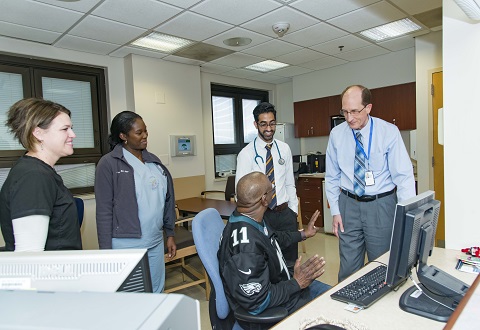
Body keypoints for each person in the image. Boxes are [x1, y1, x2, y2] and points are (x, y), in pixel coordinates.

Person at [325, 85, 415, 282]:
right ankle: (347, 307)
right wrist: (335, 211)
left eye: (355, 111)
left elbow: (404, 177)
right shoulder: (337, 135)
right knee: (348, 267)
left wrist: (404, 215)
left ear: (368, 108)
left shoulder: (388, 132)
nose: (349, 118)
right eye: (345, 112)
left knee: (381, 264)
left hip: (381, 205)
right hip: (348, 204)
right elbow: (331, 176)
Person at [219, 172, 330, 329]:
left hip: (280, 284)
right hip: (273, 309)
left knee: (336, 295)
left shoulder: (248, 217)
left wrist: (304, 234)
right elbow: (258, 302)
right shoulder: (246, 250)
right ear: (264, 199)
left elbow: (273, 238)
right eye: (272, 190)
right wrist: (297, 283)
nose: (274, 193)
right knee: (335, 312)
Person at [95, 111, 176, 293]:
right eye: (139, 133)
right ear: (123, 136)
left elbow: (167, 200)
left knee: (157, 290)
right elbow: (104, 211)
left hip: (155, 239)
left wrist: (170, 233)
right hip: (126, 243)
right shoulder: (109, 164)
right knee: (132, 295)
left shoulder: (154, 162)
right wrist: (105, 251)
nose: (145, 136)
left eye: (146, 131)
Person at [0, 98, 82, 251]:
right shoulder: (33, 177)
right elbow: (29, 253)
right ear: (38, 133)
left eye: (71, 128)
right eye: (65, 129)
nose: (73, 134)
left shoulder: (41, 171)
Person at [235, 102, 299, 272]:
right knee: (269, 264)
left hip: (285, 214)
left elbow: (289, 183)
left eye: (272, 123)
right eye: (263, 124)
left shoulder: (284, 149)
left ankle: (293, 295)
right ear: (256, 124)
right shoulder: (246, 154)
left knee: (290, 262)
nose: (269, 128)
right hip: (262, 216)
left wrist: (293, 211)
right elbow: (240, 193)